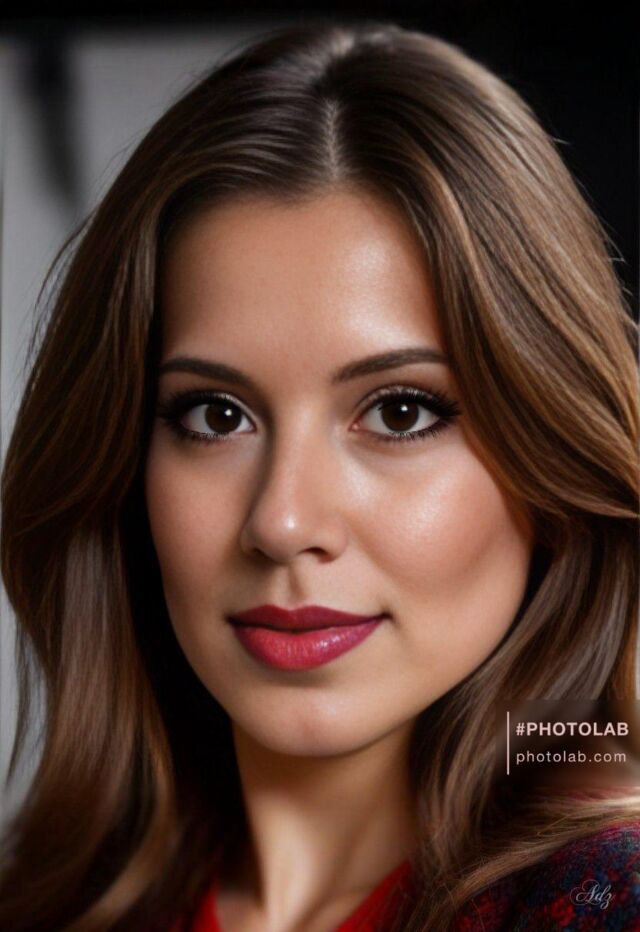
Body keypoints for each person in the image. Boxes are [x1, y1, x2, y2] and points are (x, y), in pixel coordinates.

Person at [0, 20, 638, 932]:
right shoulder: (49, 904)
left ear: (553, 458)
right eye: (215, 416)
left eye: (401, 412)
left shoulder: (607, 901)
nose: (284, 521)